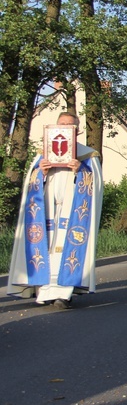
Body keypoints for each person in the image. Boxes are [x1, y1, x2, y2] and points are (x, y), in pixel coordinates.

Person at [7, 112, 103, 309]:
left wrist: (81, 171)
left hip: (73, 212)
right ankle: (44, 291)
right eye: (62, 124)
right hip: (46, 212)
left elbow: (96, 186)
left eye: (70, 125)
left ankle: (63, 293)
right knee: (45, 247)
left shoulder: (88, 155)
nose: (65, 128)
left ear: (77, 130)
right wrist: (40, 172)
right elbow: (30, 188)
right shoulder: (43, 155)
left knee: (67, 248)